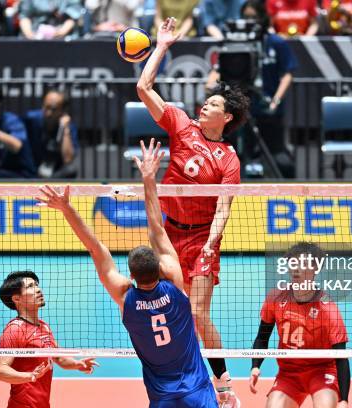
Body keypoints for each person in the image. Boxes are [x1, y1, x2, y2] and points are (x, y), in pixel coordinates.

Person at [37, 139, 219, 407]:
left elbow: (95, 249)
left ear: (131, 277)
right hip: (197, 390)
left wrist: (67, 209)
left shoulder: (126, 297)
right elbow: (156, 225)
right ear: (160, 267)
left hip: (162, 396)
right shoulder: (174, 281)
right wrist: (149, 177)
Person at [136, 16, 250, 408]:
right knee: (173, 309)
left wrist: (210, 245)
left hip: (203, 236)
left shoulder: (229, 160)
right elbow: (143, 87)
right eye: (207, 101)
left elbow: (224, 208)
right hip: (169, 235)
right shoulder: (181, 126)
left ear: (227, 117)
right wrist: (163, 45)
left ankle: (223, 382)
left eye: (214, 104)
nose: (205, 105)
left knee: (198, 311)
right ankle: (183, 375)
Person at [249, 242, 350, 408]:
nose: (296, 269)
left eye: (303, 264)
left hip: (321, 371)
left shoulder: (328, 308)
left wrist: (344, 400)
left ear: (315, 270)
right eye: (293, 263)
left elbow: (341, 357)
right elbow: (262, 337)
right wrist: (255, 366)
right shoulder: (276, 298)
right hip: (289, 374)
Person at [206, 1, 298, 177]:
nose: (250, 21)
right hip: (238, 112)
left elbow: (288, 73)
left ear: (263, 17)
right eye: (246, 17)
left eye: (254, 17)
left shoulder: (276, 43)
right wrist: (211, 88)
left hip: (266, 109)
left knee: (279, 158)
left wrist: (275, 100)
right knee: (233, 157)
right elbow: (218, 70)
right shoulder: (231, 45)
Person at [0, 270, 98, 408]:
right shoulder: (14, 329)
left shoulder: (44, 326)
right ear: (16, 299)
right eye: (30, 286)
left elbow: (59, 358)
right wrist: (30, 376)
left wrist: (78, 364)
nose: (38, 289)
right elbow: (0, 372)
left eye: (37, 285)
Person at [24, 89, 79, 178]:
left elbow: (68, 160)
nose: (48, 113)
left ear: (62, 111)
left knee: (71, 170)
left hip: (53, 176)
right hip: (31, 171)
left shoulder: (69, 127)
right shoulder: (31, 119)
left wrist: (65, 129)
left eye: (53, 109)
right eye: (46, 107)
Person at [18, 0, 84, 39]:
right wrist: (30, 35)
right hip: (35, 36)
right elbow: (24, 16)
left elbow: (73, 15)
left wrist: (61, 32)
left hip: (63, 37)